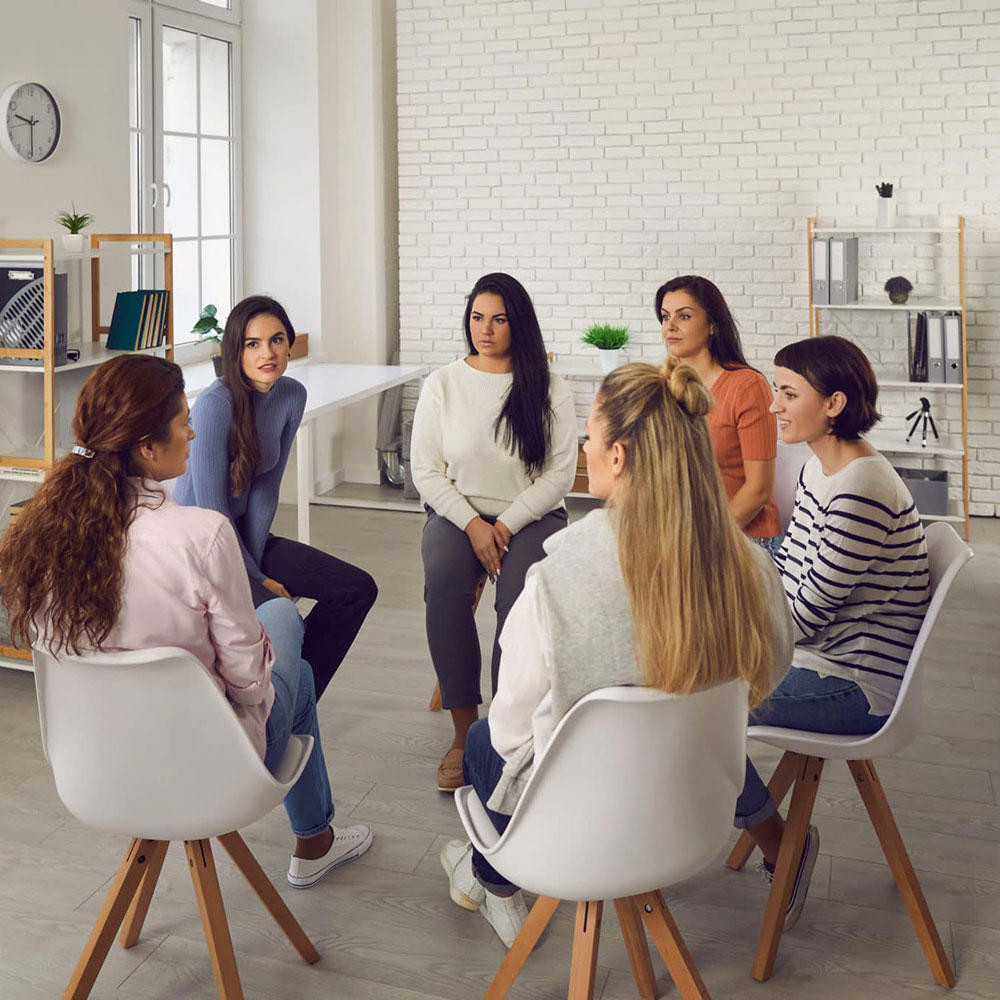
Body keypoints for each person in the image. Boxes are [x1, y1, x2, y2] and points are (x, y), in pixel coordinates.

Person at [439, 358, 794, 947]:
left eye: (590, 435)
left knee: (478, 742)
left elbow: (507, 737)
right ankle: (483, 877)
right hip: (688, 820)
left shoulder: (555, 583)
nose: (583, 446)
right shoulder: (752, 567)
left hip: (576, 833)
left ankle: (490, 880)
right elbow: (773, 670)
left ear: (620, 455)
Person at [0, 355, 372, 887]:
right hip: (211, 768)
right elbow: (247, 685)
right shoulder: (203, 535)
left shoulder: (43, 536)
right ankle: (315, 840)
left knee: (290, 660)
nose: (194, 431)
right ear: (148, 447)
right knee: (284, 619)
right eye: (182, 421)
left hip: (96, 770)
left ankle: (317, 839)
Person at [735, 336, 930, 927]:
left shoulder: (860, 489)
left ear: (835, 403)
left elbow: (801, 619)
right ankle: (769, 835)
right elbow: (792, 567)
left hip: (855, 687)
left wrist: (726, 622)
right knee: (685, 682)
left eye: (789, 393)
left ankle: (781, 849)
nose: (775, 406)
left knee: (691, 704)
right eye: (776, 389)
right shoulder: (828, 468)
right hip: (826, 660)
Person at [409, 273, 578, 793]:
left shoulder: (549, 386)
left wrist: (503, 525)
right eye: (477, 317)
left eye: (499, 319)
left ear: (518, 324)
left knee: (519, 597)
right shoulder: (443, 384)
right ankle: (465, 734)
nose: (485, 329)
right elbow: (426, 471)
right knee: (443, 583)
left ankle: (505, 735)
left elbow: (560, 474)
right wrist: (473, 525)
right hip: (458, 515)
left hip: (529, 517)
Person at [173, 295, 377, 701]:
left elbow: (267, 489)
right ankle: (272, 708)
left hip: (245, 541)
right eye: (253, 344)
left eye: (276, 340)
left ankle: (296, 702)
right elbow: (212, 514)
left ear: (289, 345)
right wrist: (256, 577)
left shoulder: (290, 396)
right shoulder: (215, 405)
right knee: (285, 619)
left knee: (355, 589)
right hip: (202, 548)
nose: (267, 353)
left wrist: (256, 567)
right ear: (235, 350)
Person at [656, 275, 782, 554]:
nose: (670, 327)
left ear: (712, 324)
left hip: (744, 539)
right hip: (684, 538)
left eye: (684, 316)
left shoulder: (748, 386)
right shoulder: (665, 384)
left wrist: (706, 543)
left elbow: (759, 489)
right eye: (665, 317)